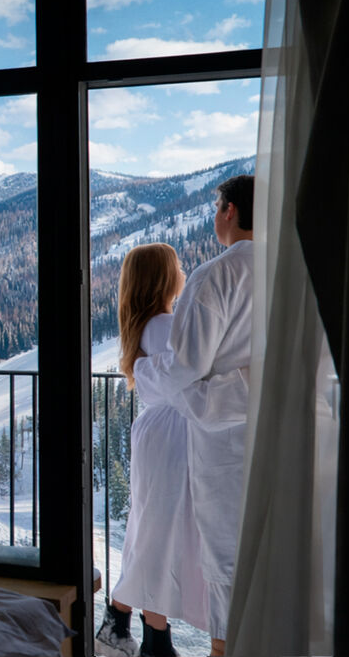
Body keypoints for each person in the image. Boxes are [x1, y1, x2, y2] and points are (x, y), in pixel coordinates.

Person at [132, 175, 254, 657]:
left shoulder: (217, 275)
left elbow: (186, 366)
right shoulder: (291, 271)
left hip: (224, 444)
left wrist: (145, 372)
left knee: (226, 560)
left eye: (216, 207)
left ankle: (222, 649)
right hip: (283, 434)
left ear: (229, 211)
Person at [94, 243, 207, 657]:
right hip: (173, 437)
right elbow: (195, 371)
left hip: (157, 435)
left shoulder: (147, 325)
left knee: (150, 529)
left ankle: (125, 623)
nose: (183, 270)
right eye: (177, 265)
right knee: (160, 534)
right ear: (164, 278)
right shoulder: (166, 325)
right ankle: (152, 639)